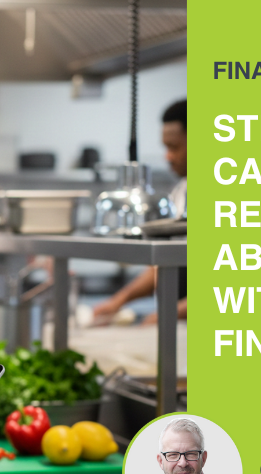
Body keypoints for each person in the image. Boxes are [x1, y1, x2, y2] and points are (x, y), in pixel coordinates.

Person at [93, 99, 187, 325]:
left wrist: (167, 316)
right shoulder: (182, 192)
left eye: (173, 147)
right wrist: (118, 301)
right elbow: (163, 263)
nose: (168, 157)